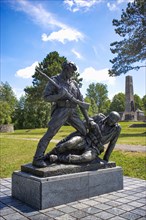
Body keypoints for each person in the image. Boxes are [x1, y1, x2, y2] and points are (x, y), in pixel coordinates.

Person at [32, 61, 90, 168]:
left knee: (83, 131)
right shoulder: (54, 81)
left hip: (73, 111)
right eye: (71, 71)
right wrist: (59, 95)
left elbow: (81, 101)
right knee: (50, 133)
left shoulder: (74, 83)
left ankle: (69, 149)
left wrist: (87, 118)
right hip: (61, 110)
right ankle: (37, 158)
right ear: (65, 69)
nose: (72, 74)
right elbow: (46, 97)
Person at [45, 111, 121, 164]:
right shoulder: (99, 117)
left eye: (112, 122)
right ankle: (47, 156)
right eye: (109, 120)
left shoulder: (117, 129)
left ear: (115, 122)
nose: (110, 122)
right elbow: (85, 121)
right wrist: (91, 122)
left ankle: (58, 158)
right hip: (85, 139)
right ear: (108, 117)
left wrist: (106, 160)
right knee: (70, 143)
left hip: (95, 148)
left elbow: (112, 144)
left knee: (85, 158)